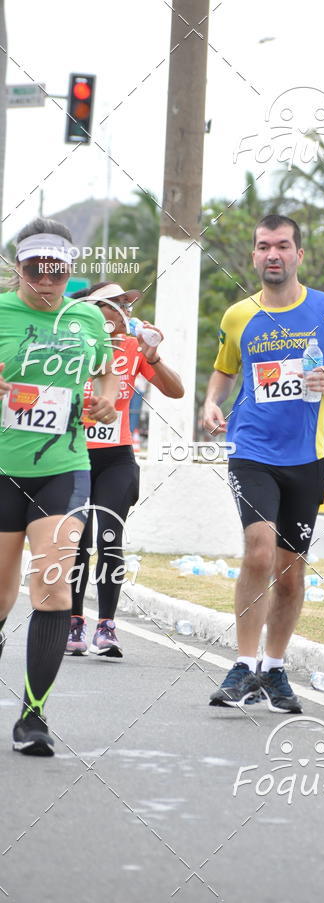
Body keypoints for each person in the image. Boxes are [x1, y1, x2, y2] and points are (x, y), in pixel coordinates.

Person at [202, 214, 324, 713]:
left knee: (291, 573)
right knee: (258, 550)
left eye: (283, 246)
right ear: (253, 256)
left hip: (306, 458)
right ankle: (242, 665)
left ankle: (274, 669)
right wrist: (212, 402)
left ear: (298, 254)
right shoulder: (237, 315)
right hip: (251, 451)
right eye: (264, 246)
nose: (273, 254)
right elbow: (224, 369)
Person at [0, 218, 119, 756]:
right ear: (17, 268)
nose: (46, 283)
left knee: (51, 588)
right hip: (3, 467)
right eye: (34, 271)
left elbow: (107, 372)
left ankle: (33, 718)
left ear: (70, 271)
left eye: (57, 272)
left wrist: (105, 395)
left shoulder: (88, 318)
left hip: (64, 467)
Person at [65, 282, 184, 658]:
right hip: (72, 458)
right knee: (78, 542)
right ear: (91, 311)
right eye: (113, 305)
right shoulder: (70, 345)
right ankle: (74, 622)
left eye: (125, 305)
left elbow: (177, 391)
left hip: (117, 458)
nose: (122, 311)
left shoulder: (133, 348)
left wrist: (155, 356)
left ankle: (107, 626)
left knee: (109, 537)